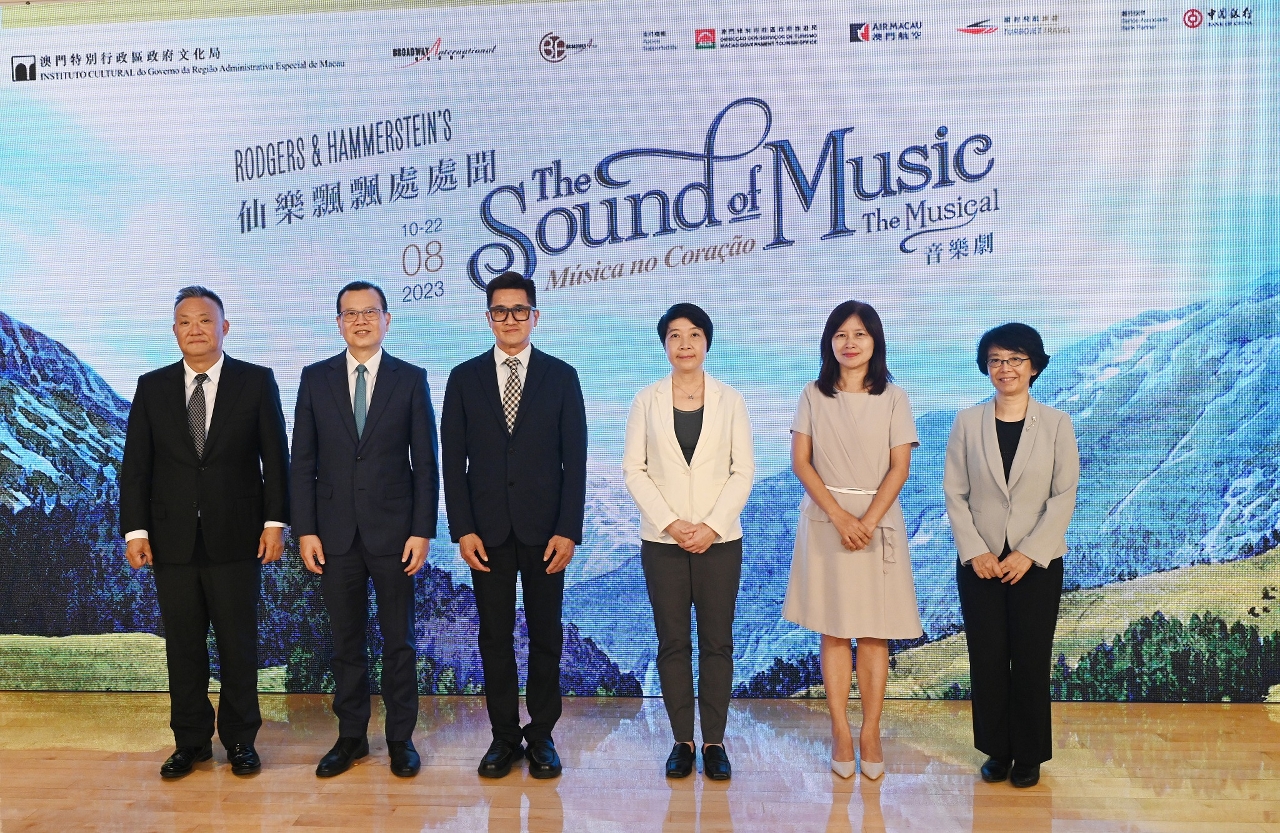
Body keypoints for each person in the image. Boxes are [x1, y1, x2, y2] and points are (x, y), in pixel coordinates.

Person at [119, 286, 289, 779]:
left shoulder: (255, 381)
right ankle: (191, 742)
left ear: (224, 327)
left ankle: (240, 740)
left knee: (238, 644)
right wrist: (135, 530)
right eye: (185, 322)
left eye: (205, 320)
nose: (195, 329)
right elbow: (137, 466)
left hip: (238, 537)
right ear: (175, 331)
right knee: (183, 647)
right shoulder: (152, 386)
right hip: (170, 540)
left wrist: (275, 523)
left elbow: (276, 458)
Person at [441, 271, 587, 779]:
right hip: (487, 534)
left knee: (546, 636)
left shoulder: (561, 376)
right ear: (488, 318)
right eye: (500, 311)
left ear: (534, 316)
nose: (510, 319)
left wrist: (569, 529)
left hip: (547, 534)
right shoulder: (464, 378)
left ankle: (542, 735)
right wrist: (463, 529)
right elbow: (452, 461)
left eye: (519, 310)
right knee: (494, 638)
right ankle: (503, 736)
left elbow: (575, 460)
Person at [290, 280, 438, 779]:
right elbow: (302, 461)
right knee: (345, 642)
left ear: (387, 320)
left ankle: (400, 739)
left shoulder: (410, 379)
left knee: (399, 642)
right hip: (333, 534)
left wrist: (422, 530)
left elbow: (426, 463)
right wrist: (305, 530)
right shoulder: (315, 379)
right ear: (338, 323)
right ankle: (350, 736)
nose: (360, 321)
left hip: (396, 534)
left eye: (369, 312)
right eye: (350, 313)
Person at [781, 300, 922, 781]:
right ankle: (841, 730)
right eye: (840, 334)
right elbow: (801, 462)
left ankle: (871, 731)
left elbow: (900, 467)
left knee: (876, 631)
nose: (850, 342)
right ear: (829, 342)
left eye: (859, 333)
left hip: (878, 521)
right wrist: (841, 517)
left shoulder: (894, 397)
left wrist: (867, 520)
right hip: (827, 521)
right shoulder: (812, 394)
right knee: (835, 629)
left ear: (875, 341)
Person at [943, 323, 1079, 788]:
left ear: (1034, 366)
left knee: (1030, 659)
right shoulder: (967, 422)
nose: (1006, 368)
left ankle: (1029, 755)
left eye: (1016, 359)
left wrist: (1030, 553)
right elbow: (955, 494)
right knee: (986, 658)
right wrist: (975, 551)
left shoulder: (1057, 424)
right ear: (986, 367)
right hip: (980, 563)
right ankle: (997, 751)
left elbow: (1064, 496)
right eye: (997, 360)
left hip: (1036, 565)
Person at [622, 303, 754, 781]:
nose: (684, 344)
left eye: (694, 334)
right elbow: (634, 471)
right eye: (675, 335)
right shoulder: (646, 401)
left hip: (721, 542)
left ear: (707, 342)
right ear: (664, 345)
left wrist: (712, 526)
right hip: (663, 543)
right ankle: (682, 741)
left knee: (717, 643)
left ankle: (714, 742)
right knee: (673, 642)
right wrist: (671, 524)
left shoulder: (731, 400)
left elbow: (743, 471)